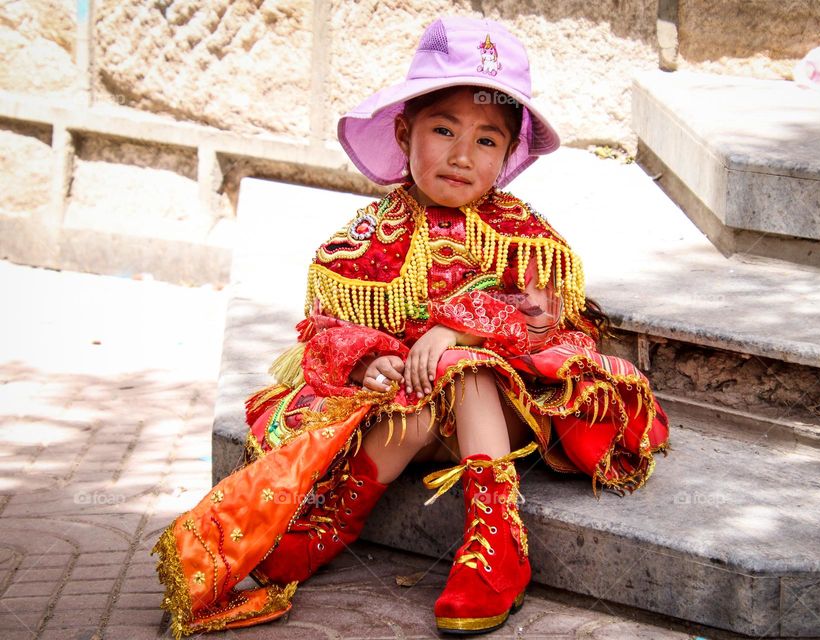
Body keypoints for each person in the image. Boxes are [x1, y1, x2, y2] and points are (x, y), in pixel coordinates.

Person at [153, 16, 669, 638]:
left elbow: (549, 325)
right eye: (443, 130)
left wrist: (460, 332)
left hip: (500, 415)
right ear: (404, 131)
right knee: (414, 405)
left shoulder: (521, 233)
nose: (461, 155)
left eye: (486, 140)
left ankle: (496, 538)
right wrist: (370, 360)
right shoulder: (367, 237)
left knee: (467, 372)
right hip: (409, 419)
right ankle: (334, 522)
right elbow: (322, 327)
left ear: (507, 155)